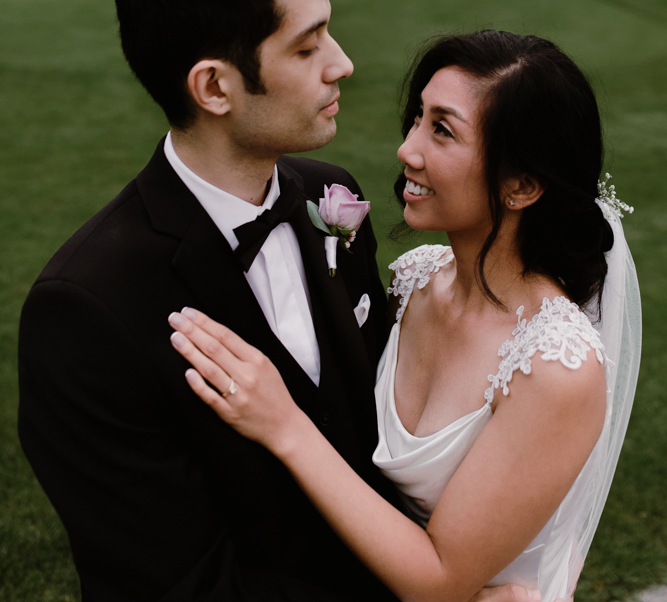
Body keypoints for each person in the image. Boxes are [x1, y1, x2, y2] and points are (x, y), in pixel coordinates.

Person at [18, 0, 532, 602]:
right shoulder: (86, 309)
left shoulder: (333, 197)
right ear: (214, 88)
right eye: (306, 46)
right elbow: (181, 587)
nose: (342, 63)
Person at [166, 31, 642, 602]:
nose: (407, 149)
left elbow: (438, 580)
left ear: (521, 186)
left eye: (442, 130)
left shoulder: (554, 368)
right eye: (418, 117)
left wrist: (284, 424)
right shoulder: (413, 280)